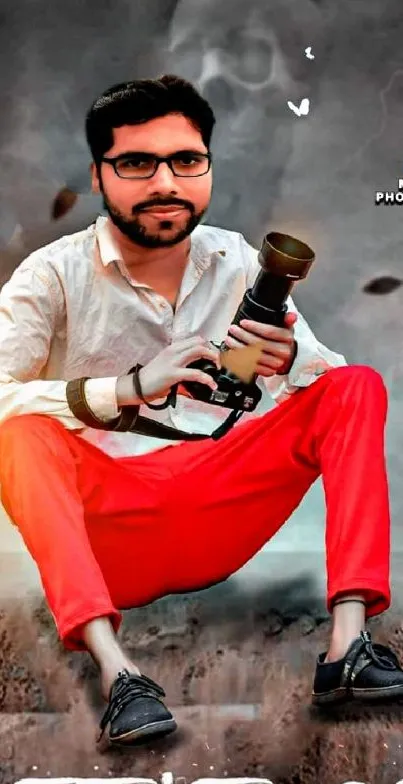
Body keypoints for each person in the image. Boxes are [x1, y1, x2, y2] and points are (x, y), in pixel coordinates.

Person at [0, 75, 401, 749]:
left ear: (207, 165)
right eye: (136, 163)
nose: (165, 182)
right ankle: (119, 676)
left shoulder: (235, 259)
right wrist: (125, 388)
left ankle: (347, 648)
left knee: (354, 384)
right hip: (108, 533)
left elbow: (323, 390)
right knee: (19, 437)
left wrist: (282, 364)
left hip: (218, 499)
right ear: (98, 177)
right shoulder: (50, 277)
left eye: (185, 161)